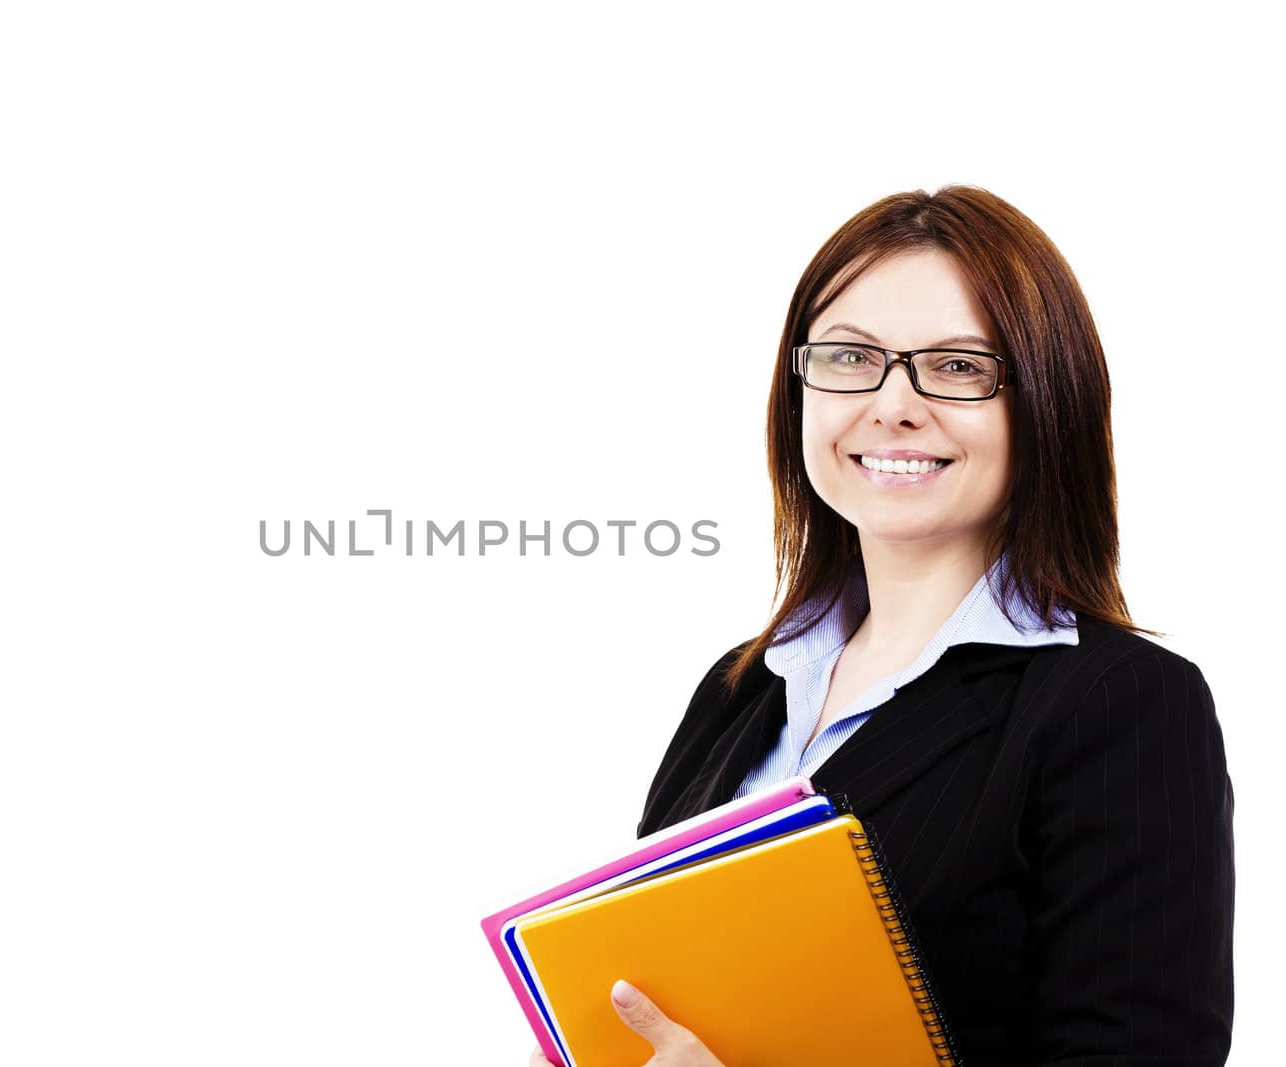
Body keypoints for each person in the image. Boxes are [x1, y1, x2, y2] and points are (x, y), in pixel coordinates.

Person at [527, 186, 1234, 1067]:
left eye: (958, 366)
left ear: (1046, 401)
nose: (892, 404)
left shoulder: (1119, 702)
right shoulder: (740, 687)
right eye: (850, 358)